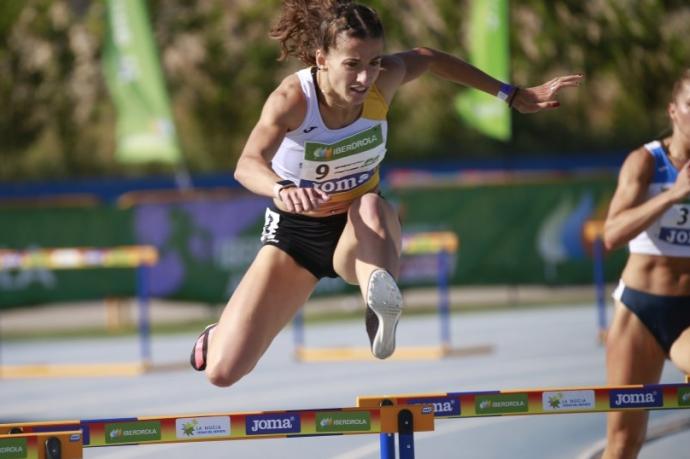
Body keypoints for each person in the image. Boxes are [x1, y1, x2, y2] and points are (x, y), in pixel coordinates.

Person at [190, 0, 583, 388]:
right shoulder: (292, 100)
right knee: (223, 373)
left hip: (359, 233)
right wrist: (281, 188)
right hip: (296, 237)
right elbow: (247, 164)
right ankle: (217, 335)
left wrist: (510, 94)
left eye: (374, 62)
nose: (365, 78)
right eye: (353, 65)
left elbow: (429, 58)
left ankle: (378, 307)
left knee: (371, 205)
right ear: (321, 58)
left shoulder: (385, 80)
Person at [602, 69, 690, 459]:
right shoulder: (646, 162)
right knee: (623, 442)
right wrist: (672, 196)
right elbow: (612, 234)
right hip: (640, 309)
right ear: (674, 111)